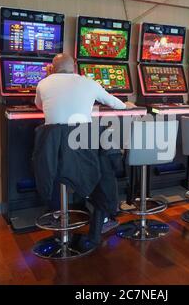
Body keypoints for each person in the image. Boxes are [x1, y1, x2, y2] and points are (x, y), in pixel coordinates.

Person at [35, 53, 131, 248]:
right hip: (83, 155)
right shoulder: (89, 82)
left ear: (52, 68)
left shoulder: (43, 84)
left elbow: (38, 105)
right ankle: (102, 218)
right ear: (75, 67)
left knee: (62, 172)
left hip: (53, 158)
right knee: (103, 161)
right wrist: (127, 105)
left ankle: (57, 214)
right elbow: (115, 103)